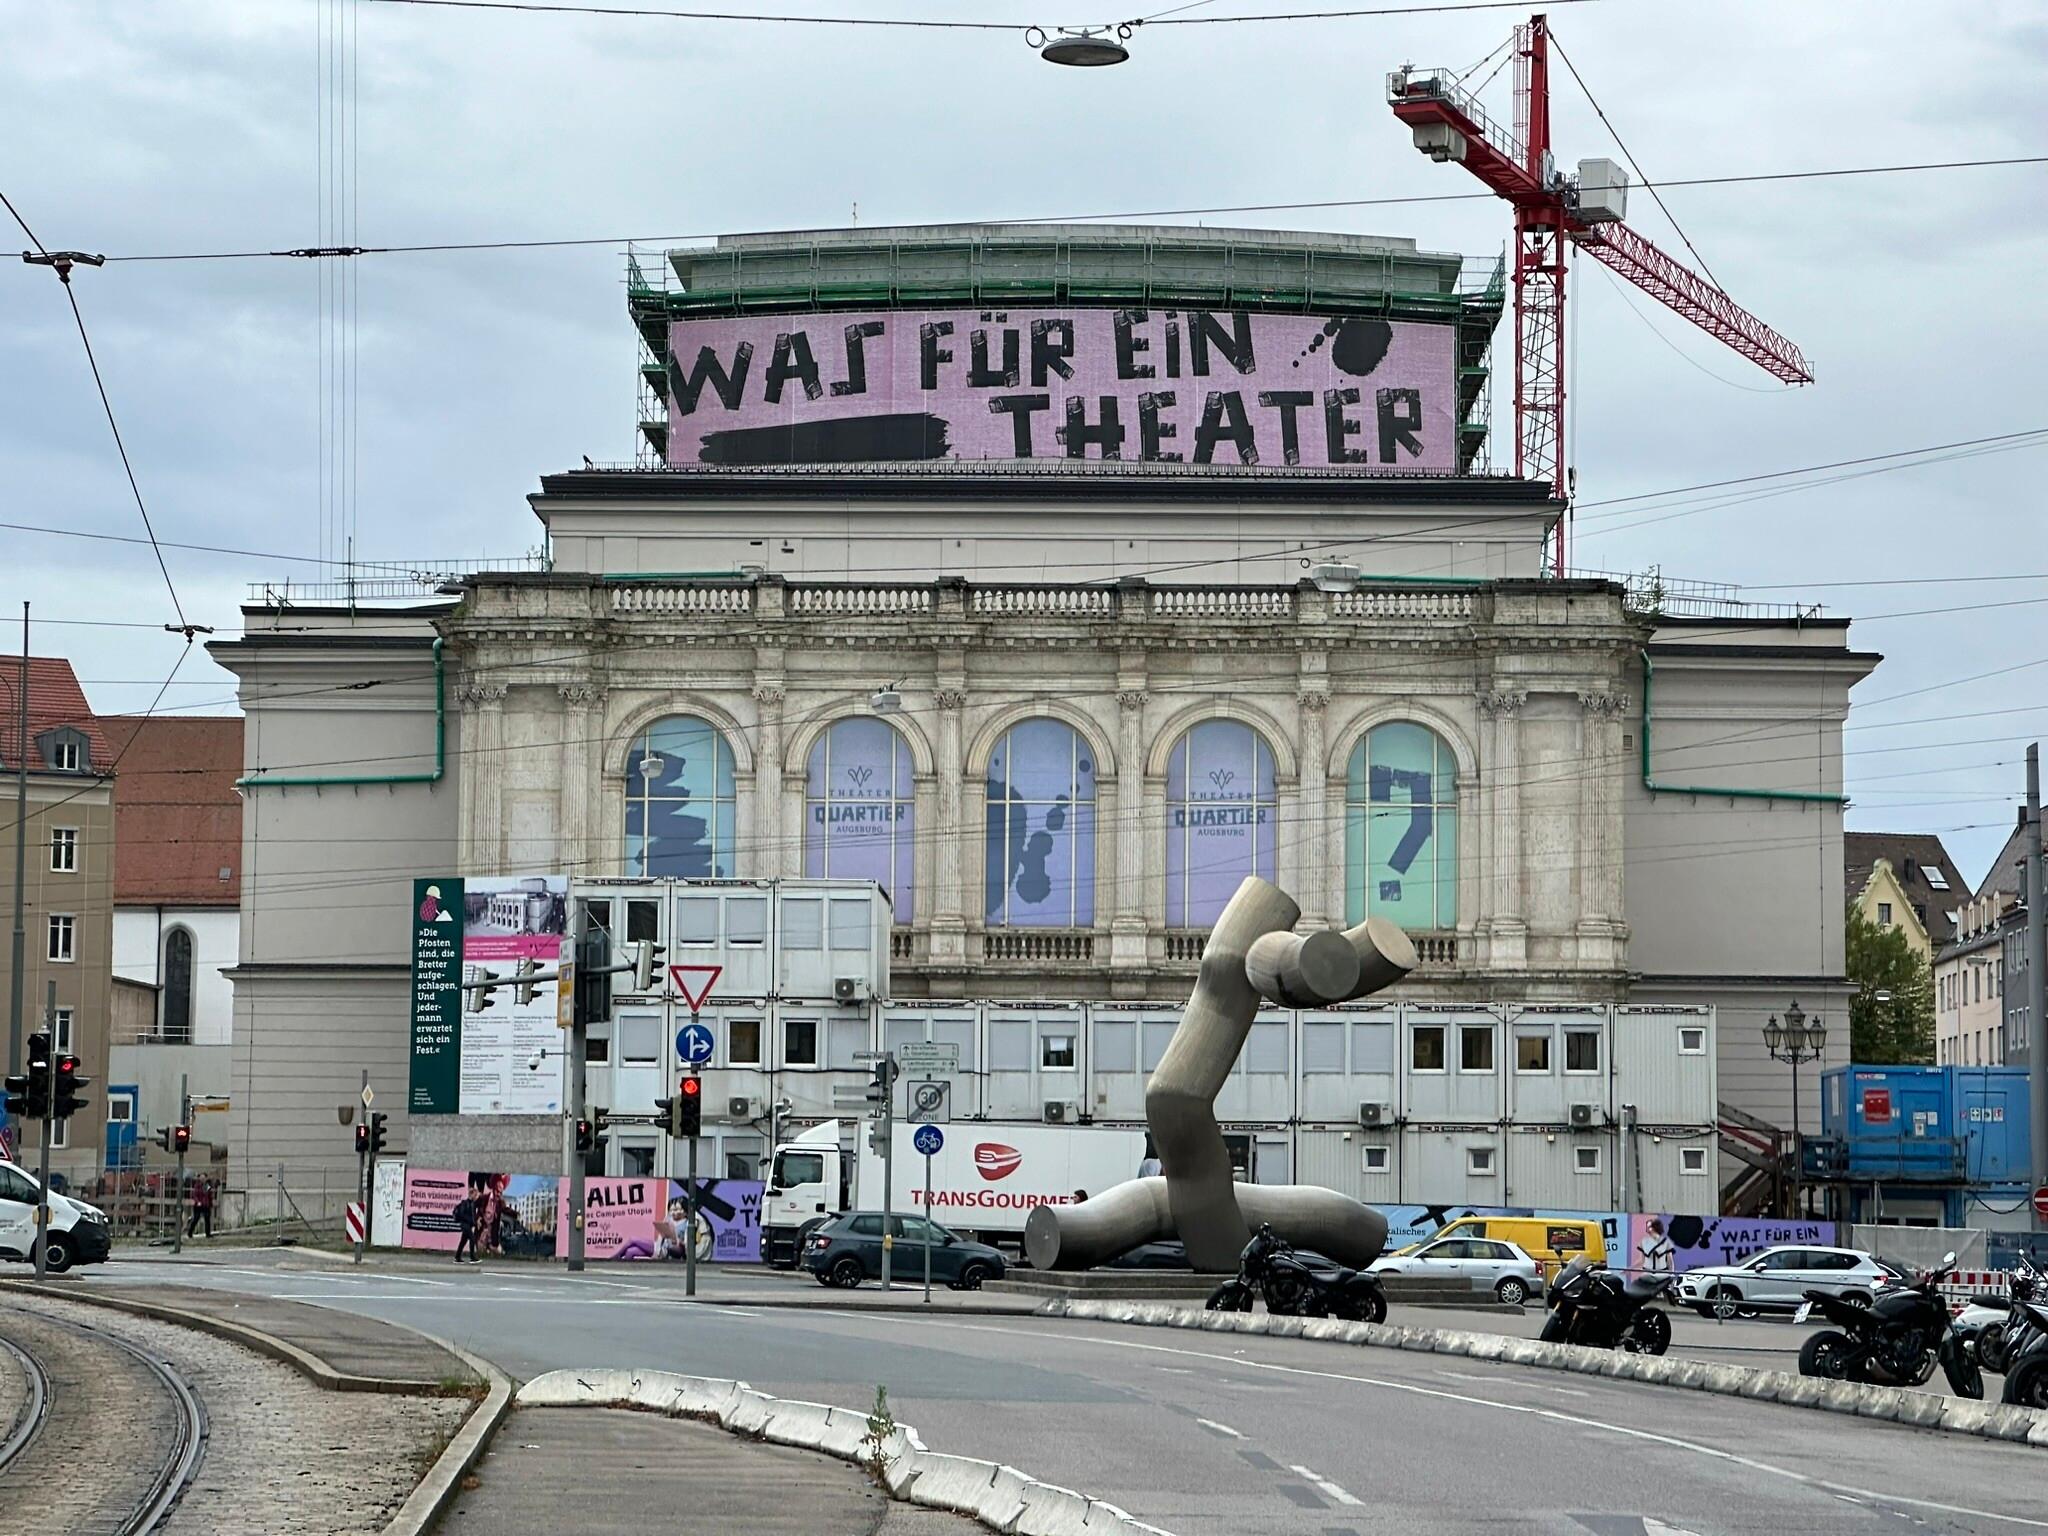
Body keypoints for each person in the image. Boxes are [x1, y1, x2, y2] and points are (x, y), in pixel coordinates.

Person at [452, 1185, 482, 1264]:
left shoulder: (473, 1204)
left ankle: (457, 1257)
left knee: (463, 1242)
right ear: (471, 1195)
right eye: (475, 1195)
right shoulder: (465, 1203)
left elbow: (473, 1216)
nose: (476, 1197)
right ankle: (472, 1257)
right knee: (472, 1239)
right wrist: (469, 1220)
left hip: (468, 1225)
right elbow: (462, 1214)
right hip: (465, 1225)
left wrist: (475, 1223)